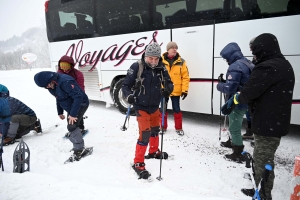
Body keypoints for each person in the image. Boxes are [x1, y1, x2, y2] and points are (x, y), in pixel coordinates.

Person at [231, 33, 295, 199]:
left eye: (254, 52)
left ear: (262, 49)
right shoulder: (282, 64)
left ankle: (264, 195)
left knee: (263, 161)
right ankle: (258, 188)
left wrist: (236, 98)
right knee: (261, 157)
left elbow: (248, 92)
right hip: (273, 121)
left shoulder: (268, 67)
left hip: (268, 123)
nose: (254, 56)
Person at [122, 42, 174, 179]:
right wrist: (129, 96)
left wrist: (168, 88)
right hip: (141, 106)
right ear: (145, 55)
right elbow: (125, 85)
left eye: (156, 59)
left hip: (155, 106)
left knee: (155, 130)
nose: (153, 61)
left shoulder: (161, 67)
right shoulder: (137, 67)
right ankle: (138, 162)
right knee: (145, 134)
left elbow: (168, 82)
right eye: (151, 58)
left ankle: (153, 151)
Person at [34, 71, 91, 161]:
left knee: (72, 126)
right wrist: (60, 111)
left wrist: (73, 114)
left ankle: (80, 149)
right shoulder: (51, 85)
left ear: (51, 79)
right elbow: (58, 97)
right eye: (45, 87)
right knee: (72, 126)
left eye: (47, 85)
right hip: (71, 105)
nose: (47, 87)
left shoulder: (65, 81)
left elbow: (78, 97)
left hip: (81, 103)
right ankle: (78, 143)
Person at [217, 42, 253, 163]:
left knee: (234, 127)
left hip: (236, 102)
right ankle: (231, 142)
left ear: (229, 56)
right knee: (234, 123)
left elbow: (230, 88)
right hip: (246, 100)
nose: (225, 60)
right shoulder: (247, 63)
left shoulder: (235, 66)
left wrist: (220, 85)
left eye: (225, 58)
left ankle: (237, 152)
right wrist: (226, 81)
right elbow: (239, 82)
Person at [160, 41, 190, 136]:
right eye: (172, 48)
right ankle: (162, 127)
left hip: (176, 91)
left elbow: (185, 77)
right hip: (164, 90)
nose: (174, 49)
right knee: (163, 109)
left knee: (177, 109)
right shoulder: (161, 61)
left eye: (175, 48)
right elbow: (157, 76)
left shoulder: (181, 61)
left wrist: (185, 90)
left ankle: (179, 128)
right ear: (168, 50)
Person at [57, 55, 86, 133]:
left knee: (77, 112)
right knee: (71, 114)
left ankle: (79, 128)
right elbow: (57, 91)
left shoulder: (78, 74)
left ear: (71, 65)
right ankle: (74, 130)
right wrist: (59, 110)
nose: (64, 68)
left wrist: (77, 98)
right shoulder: (58, 75)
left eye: (66, 66)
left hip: (77, 96)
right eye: (62, 66)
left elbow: (80, 88)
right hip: (66, 98)